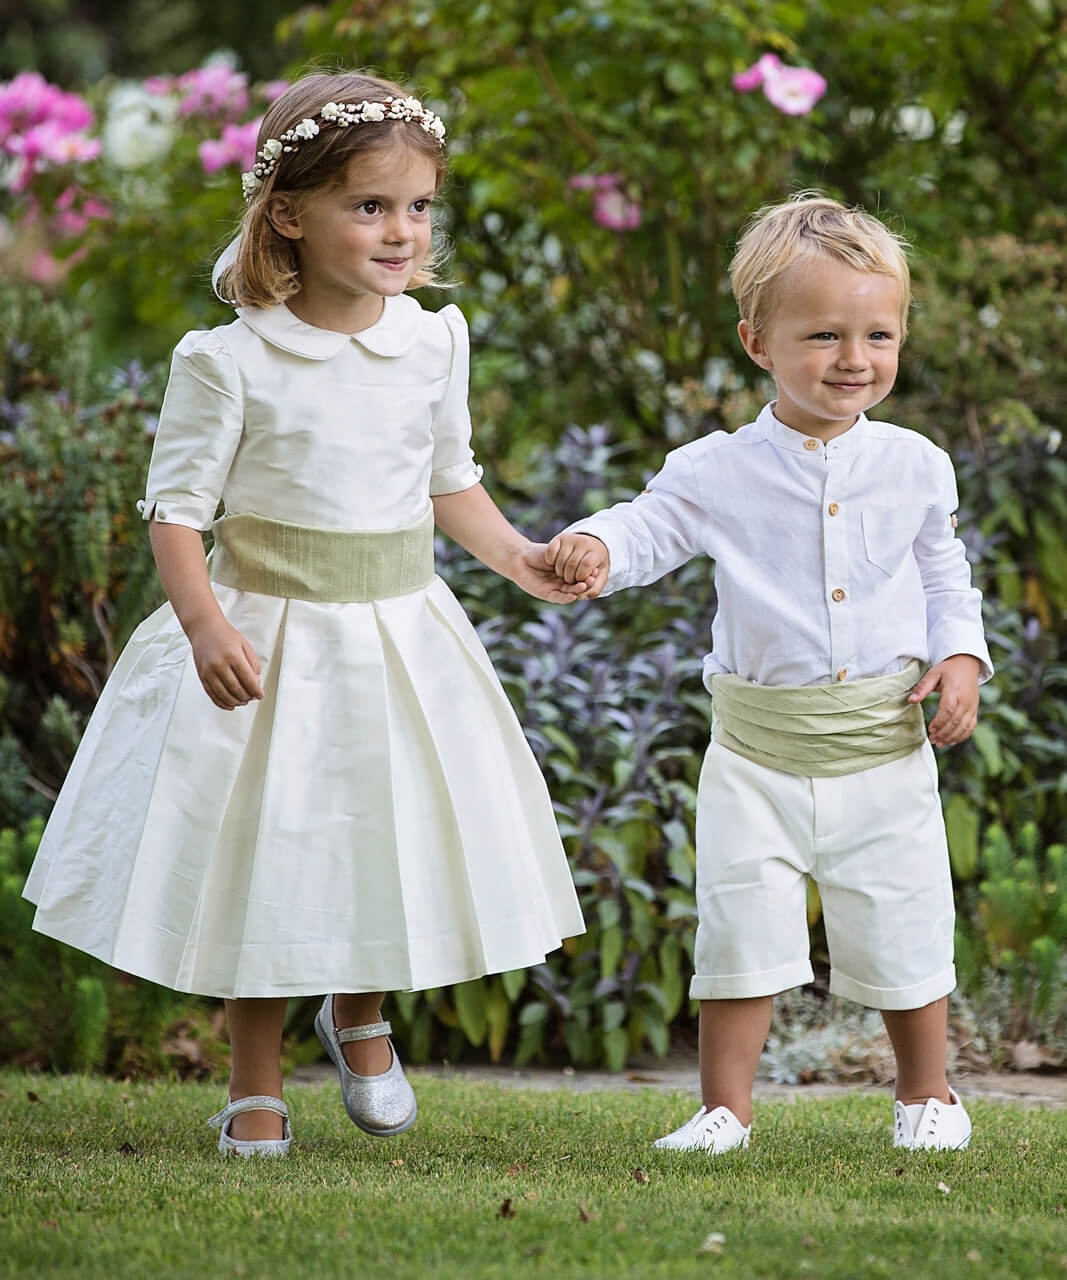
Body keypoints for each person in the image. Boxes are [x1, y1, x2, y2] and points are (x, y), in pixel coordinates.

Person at [23, 70, 588, 1157]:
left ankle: (361, 1010)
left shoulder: (431, 341)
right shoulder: (229, 358)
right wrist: (202, 627)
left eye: (417, 206)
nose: (400, 231)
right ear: (287, 210)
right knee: (262, 852)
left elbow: (448, 479)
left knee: (381, 827)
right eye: (367, 204)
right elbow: (178, 514)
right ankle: (253, 1079)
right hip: (266, 630)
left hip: (394, 631)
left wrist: (519, 557)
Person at [545, 193, 991, 1155]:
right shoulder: (715, 469)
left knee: (904, 919)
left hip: (881, 747)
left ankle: (928, 1096)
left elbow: (942, 573)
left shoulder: (915, 464)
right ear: (757, 342)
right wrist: (593, 545)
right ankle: (724, 1111)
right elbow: (648, 526)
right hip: (754, 758)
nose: (853, 359)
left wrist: (960, 654)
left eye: (878, 334)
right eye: (823, 334)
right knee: (738, 925)